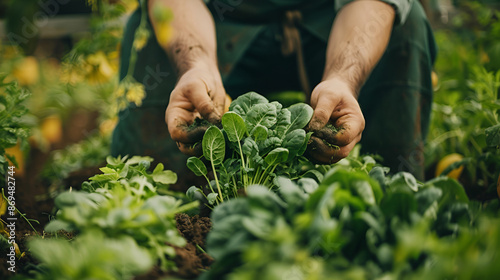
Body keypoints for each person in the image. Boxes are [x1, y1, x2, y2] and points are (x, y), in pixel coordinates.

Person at [111, 0, 437, 186]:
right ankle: (163, 201)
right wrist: (196, 65)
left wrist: (342, 79)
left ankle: (392, 191)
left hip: (334, 19)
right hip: (218, 20)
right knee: (151, 33)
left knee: (407, 26)